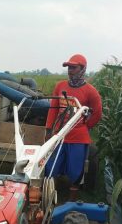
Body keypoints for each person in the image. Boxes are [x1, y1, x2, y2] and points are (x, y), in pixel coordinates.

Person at [44, 54, 102, 199]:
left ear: (82, 69)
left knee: (75, 170)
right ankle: (50, 196)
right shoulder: (60, 86)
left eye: (73, 67)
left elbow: (97, 113)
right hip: (59, 135)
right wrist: (49, 129)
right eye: (69, 67)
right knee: (52, 166)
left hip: (78, 137)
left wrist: (84, 126)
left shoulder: (90, 91)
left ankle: (72, 198)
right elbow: (54, 109)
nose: (70, 70)